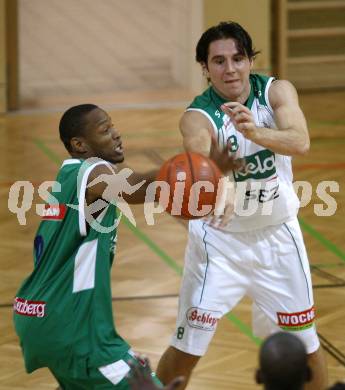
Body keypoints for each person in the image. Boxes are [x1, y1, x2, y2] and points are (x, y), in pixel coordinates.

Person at [156, 21, 327, 390]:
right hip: (220, 245)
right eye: (218, 61)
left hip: (278, 237)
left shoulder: (275, 91)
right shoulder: (198, 115)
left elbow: (300, 141)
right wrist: (220, 178)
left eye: (237, 58)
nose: (229, 68)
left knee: (307, 346)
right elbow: (199, 150)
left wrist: (256, 133)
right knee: (186, 348)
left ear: (251, 60)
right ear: (204, 68)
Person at [13, 104, 163, 389]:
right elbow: (133, 188)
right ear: (79, 144)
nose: (117, 134)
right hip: (75, 327)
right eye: (105, 130)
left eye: (113, 126)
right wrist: (179, 168)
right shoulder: (93, 170)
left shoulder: (67, 178)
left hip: (37, 313)